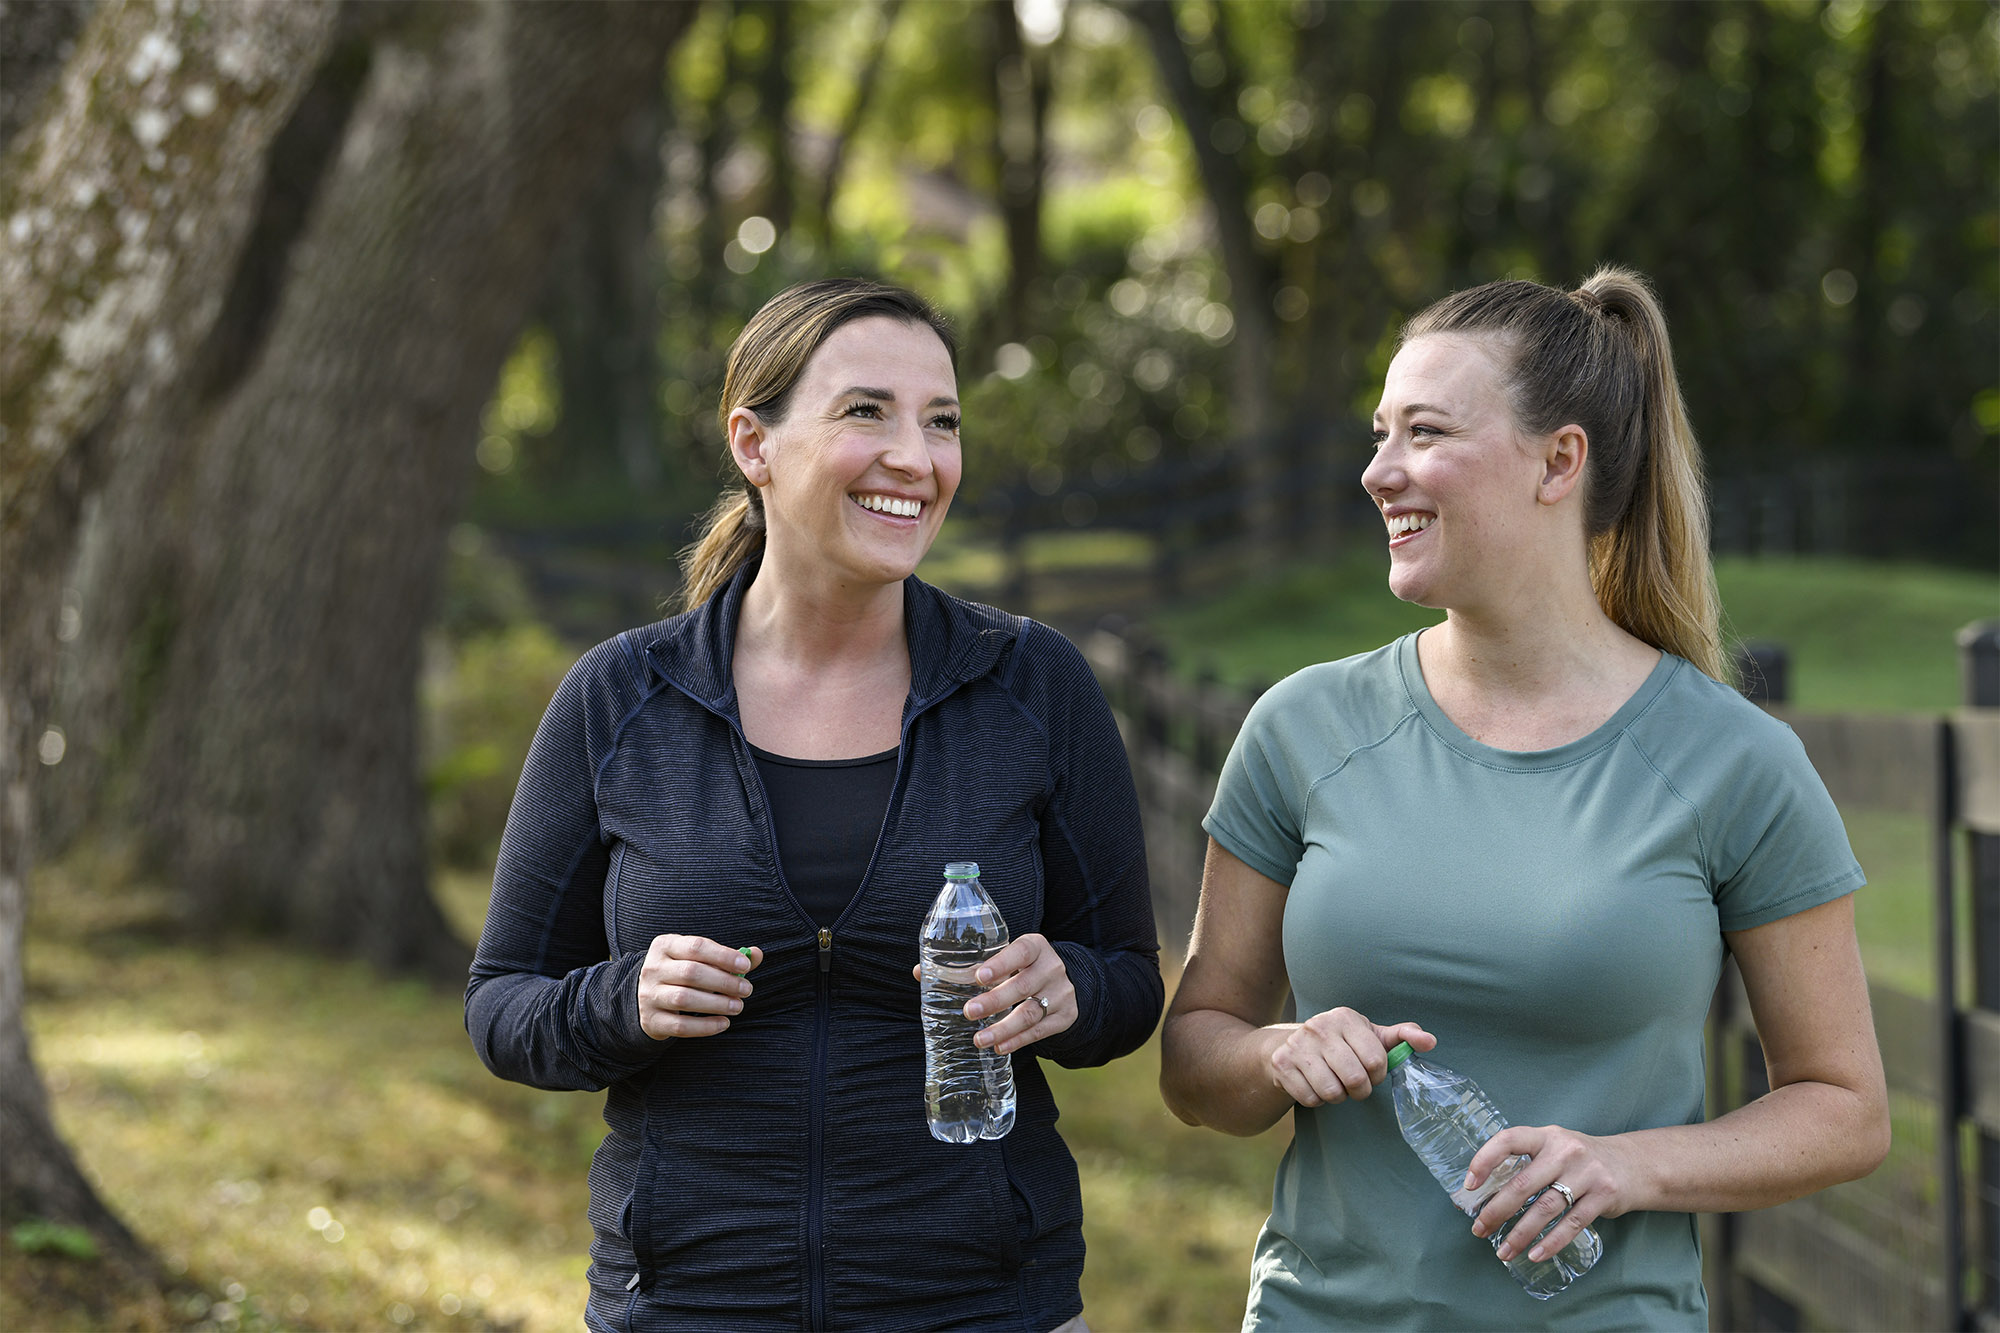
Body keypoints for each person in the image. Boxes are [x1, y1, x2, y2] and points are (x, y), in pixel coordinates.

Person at [1159, 267, 1890, 1330]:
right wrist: (1273, 1052)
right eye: (1379, 434)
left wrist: (1624, 1166)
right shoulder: (1300, 727)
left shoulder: (1732, 761)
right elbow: (1195, 1057)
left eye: (1423, 433)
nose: (1378, 472)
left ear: (1558, 461)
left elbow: (1844, 1109)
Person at [466, 278, 1162, 1332]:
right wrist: (621, 1000)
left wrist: (1069, 991)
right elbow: (500, 1002)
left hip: (981, 1302)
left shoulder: (1031, 686)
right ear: (754, 443)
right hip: (691, 1301)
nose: (916, 459)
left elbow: (1127, 980)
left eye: (941, 422)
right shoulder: (621, 699)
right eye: (865, 412)